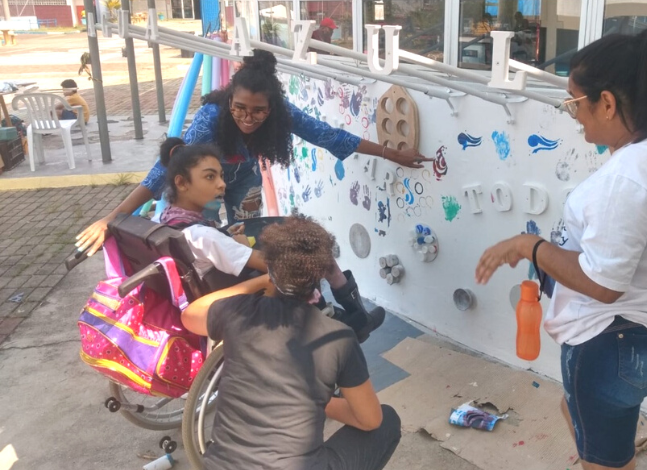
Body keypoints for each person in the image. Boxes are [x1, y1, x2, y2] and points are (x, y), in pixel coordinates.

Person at [475, 28, 647, 470]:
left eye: (574, 103)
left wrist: (530, 246)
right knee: (578, 414)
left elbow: (604, 285)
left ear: (607, 102)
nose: (573, 116)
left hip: (614, 344)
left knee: (603, 460)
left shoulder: (628, 177)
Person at [76, 49, 432, 255]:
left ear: (271, 107)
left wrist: (391, 153)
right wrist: (112, 219)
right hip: (203, 181)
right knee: (197, 242)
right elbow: (162, 173)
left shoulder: (282, 114)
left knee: (246, 238)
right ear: (230, 100)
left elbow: (329, 135)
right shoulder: (211, 118)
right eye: (240, 107)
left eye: (258, 111)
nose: (248, 117)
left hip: (244, 178)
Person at [181, 214, 401, 470]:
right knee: (387, 421)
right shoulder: (338, 337)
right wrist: (320, 402)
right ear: (318, 276)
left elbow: (190, 315)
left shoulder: (239, 312)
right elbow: (370, 420)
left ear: (271, 266)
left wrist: (262, 280)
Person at [156, 137, 384, 342]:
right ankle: (347, 322)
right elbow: (267, 263)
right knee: (309, 255)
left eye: (221, 176)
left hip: (210, 298)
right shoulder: (203, 236)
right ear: (182, 183)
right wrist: (243, 245)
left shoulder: (167, 221)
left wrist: (229, 238)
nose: (222, 184)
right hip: (245, 303)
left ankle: (348, 319)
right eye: (210, 177)